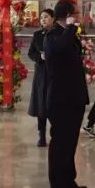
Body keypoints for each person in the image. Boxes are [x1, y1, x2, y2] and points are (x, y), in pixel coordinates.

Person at [44, 0, 90, 188]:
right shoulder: (52, 35)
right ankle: (58, 185)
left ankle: (69, 179)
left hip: (74, 96)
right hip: (60, 98)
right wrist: (70, 28)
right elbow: (59, 50)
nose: (80, 16)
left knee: (71, 142)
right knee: (60, 143)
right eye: (76, 13)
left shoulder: (69, 35)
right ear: (68, 15)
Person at [28, 9, 54, 147]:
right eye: (41, 17)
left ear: (53, 18)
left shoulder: (58, 34)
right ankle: (41, 136)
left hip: (54, 74)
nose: (43, 19)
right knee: (41, 107)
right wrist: (40, 57)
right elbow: (31, 53)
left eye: (46, 17)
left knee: (54, 105)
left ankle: (56, 135)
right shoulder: (37, 35)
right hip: (41, 75)